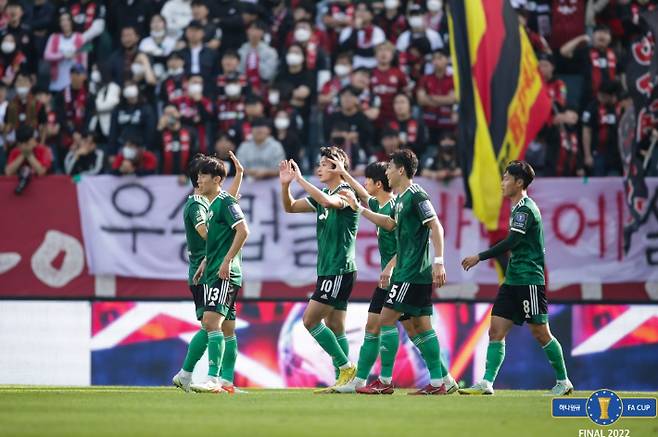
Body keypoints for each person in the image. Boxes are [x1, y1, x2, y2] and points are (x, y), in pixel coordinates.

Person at [340, 149, 453, 395]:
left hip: (410, 272)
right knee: (423, 327)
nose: (387, 172)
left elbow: (435, 225)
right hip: (411, 273)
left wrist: (440, 260)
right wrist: (360, 209)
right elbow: (389, 224)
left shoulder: (416, 195)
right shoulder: (401, 200)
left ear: (401, 169)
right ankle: (439, 382)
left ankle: (385, 380)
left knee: (386, 320)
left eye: (390, 167)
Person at [459, 160, 573, 396]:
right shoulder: (518, 207)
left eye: (506, 178)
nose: (502, 183)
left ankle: (564, 381)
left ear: (519, 182)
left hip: (528, 279)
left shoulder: (525, 209)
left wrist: (479, 256)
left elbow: (512, 242)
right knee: (495, 331)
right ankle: (487, 383)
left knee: (541, 332)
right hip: (512, 279)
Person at [279, 147, 358, 392]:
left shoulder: (346, 192)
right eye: (319, 163)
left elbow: (328, 202)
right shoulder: (322, 193)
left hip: (338, 269)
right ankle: (344, 381)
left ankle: (345, 367)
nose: (319, 168)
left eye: (325, 164)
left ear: (337, 167)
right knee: (335, 326)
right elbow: (290, 207)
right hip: (330, 269)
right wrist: (286, 185)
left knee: (310, 320)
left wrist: (301, 180)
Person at [172, 152, 245, 394]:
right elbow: (214, 239)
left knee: (211, 323)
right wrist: (206, 261)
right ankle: (220, 380)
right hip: (212, 270)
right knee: (222, 326)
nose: (198, 180)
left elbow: (243, 230)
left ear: (216, 179)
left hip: (224, 273)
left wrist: (225, 261)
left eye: (203, 175)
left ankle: (212, 378)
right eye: (199, 174)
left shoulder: (221, 202)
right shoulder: (213, 204)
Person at [5, 124, 52, 194]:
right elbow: (8, 172)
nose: (23, 146)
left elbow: (41, 171)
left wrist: (28, 154)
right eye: (21, 144)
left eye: (27, 143)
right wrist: (23, 154)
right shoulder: (15, 152)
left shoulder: (43, 150)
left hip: (42, 192)